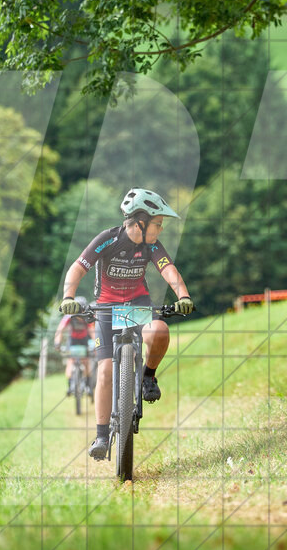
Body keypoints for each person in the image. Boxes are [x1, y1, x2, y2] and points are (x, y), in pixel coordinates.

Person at [59, 188, 194, 460]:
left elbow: (169, 270)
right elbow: (77, 268)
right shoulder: (107, 240)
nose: (161, 229)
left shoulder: (152, 246)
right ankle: (100, 435)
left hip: (138, 304)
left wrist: (183, 296)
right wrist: (68, 297)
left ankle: (148, 376)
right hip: (106, 308)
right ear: (140, 222)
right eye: (158, 224)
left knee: (159, 330)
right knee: (105, 371)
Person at [53, 295, 94, 396]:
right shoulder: (69, 317)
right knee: (70, 361)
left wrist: (96, 343)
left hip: (84, 339)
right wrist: (57, 342)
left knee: (86, 361)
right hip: (73, 340)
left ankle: (88, 385)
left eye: (82, 311)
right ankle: (70, 385)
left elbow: (92, 331)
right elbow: (60, 330)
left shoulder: (87, 317)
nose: (81, 315)